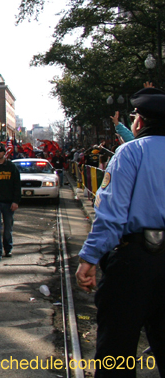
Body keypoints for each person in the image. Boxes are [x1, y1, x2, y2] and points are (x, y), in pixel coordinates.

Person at [75, 87, 165, 373]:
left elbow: (111, 216)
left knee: (116, 353)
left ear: (139, 121)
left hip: (135, 264)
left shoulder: (130, 153)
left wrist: (89, 259)